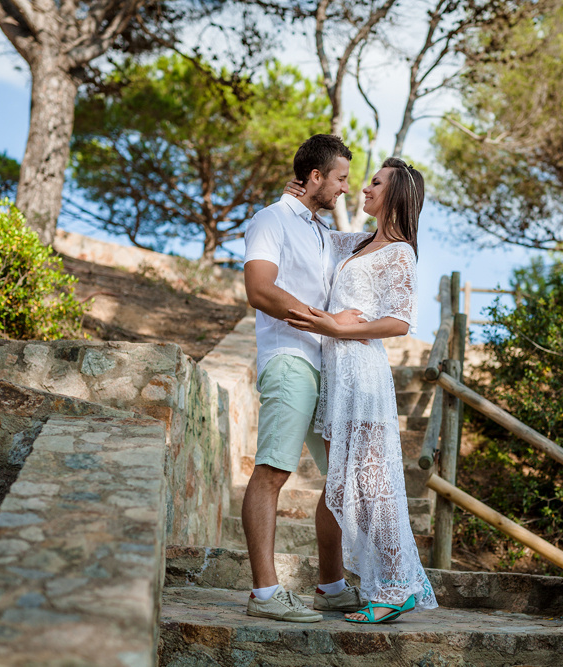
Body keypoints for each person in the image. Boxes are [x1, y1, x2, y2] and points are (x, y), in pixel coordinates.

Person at [285, 157, 438, 623]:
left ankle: (395, 589)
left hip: (364, 374)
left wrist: (338, 327)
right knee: (343, 480)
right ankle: (356, 584)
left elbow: (399, 321)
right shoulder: (358, 243)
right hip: (337, 374)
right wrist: (296, 201)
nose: (364, 190)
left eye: (376, 183)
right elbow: (315, 236)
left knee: (373, 482)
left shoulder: (400, 253)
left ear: (397, 195)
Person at [242, 134, 372, 623]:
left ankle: (331, 587)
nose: (346, 188)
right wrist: (325, 320)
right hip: (289, 359)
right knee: (273, 470)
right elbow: (259, 289)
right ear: (315, 176)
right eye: (340, 178)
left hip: (326, 366)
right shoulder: (271, 219)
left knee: (340, 476)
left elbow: (376, 242)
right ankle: (264, 594)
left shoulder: (322, 232)